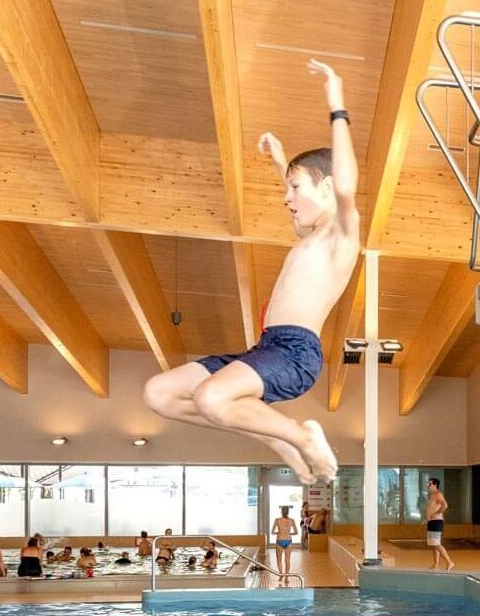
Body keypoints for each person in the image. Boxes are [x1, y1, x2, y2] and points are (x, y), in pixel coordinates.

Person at [140, 60, 357, 485]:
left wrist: (337, 105)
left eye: (296, 188)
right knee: (159, 394)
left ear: (327, 189)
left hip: (296, 354)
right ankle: (277, 438)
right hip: (266, 348)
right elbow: (307, 201)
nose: (287, 198)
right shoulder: (308, 236)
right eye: (286, 189)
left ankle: (300, 437)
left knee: (211, 397)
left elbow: (344, 184)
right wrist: (282, 165)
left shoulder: (340, 236)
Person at [423, 477, 455, 570]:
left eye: (429, 484)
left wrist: (437, 513)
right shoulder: (433, 495)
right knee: (433, 543)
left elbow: (445, 505)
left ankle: (449, 562)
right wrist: (428, 518)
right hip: (432, 521)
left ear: (435, 485)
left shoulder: (438, 494)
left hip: (436, 521)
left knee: (436, 543)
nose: (428, 486)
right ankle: (436, 564)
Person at [272, 505, 299, 577]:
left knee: (279, 559)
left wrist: (278, 532)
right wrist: (289, 533)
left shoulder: (277, 520)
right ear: (288, 512)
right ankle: (287, 575)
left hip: (280, 540)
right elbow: (296, 532)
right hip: (288, 540)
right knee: (287, 560)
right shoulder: (291, 520)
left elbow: (272, 532)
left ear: (281, 512)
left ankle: (281, 574)